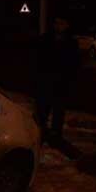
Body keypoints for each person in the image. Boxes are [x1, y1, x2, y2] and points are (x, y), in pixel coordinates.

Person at [36, 15, 80, 144]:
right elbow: (38, 60)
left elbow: (74, 64)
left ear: (67, 25)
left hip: (61, 84)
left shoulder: (71, 42)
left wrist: (70, 81)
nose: (59, 26)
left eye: (62, 23)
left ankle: (56, 136)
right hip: (46, 82)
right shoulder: (45, 39)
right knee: (42, 112)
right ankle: (41, 134)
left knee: (58, 113)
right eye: (57, 23)